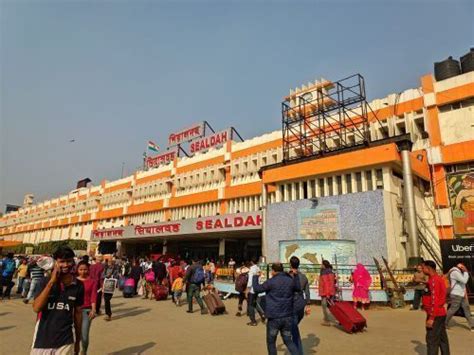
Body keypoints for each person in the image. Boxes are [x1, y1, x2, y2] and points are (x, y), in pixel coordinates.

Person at [30, 246, 84, 355]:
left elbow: (78, 315)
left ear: (73, 262)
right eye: (62, 262)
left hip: (65, 341)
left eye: (69, 261)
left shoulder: (78, 285)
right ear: (55, 263)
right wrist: (51, 282)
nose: (65, 265)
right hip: (42, 340)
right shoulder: (44, 282)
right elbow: (36, 308)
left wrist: (78, 341)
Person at [253, 263, 300, 355]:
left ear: (273, 271)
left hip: (274, 317)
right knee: (287, 340)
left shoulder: (271, 281)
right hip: (287, 316)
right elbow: (298, 288)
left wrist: (255, 277)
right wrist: (296, 275)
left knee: (271, 342)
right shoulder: (290, 280)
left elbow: (257, 289)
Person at [422, 260, 450, 355]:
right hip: (440, 313)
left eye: (423, 268)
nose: (422, 270)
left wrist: (431, 318)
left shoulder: (434, 280)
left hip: (436, 314)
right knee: (442, 338)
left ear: (428, 268)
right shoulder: (435, 279)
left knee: (432, 339)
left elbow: (435, 300)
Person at [289, 256, 311, 355]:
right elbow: (307, 292)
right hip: (301, 303)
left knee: (294, 331)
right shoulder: (304, 277)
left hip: (292, 304)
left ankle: (298, 352)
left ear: (290, 264)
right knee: (293, 328)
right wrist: (308, 304)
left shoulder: (288, 276)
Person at [76, 261, 97, 354]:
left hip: (86, 310)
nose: (83, 271)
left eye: (85, 269)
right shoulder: (73, 281)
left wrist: (93, 309)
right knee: (74, 335)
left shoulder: (92, 282)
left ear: (88, 270)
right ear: (77, 270)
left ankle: (84, 351)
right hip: (74, 310)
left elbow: (93, 297)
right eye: (81, 269)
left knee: (84, 335)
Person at [445, 263, 473, 331]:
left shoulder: (459, 272)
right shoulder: (455, 272)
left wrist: (465, 294)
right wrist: (466, 272)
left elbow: (462, 285)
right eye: (463, 266)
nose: (464, 268)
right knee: (453, 309)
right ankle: (444, 323)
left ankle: (472, 325)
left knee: (467, 309)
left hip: (461, 294)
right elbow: (464, 281)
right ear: (460, 267)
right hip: (456, 294)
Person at [247, 258, 266, 326]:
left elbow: (250, 280)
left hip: (252, 289)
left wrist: (248, 289)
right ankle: (262, 315)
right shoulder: (258, 268)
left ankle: (253, 321)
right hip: (257, 288)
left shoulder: (252, 269)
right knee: (255, 303)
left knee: (250, 305)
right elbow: (261, 277)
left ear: (251, 262)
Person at [319, 259, 336, 326]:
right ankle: (338, 318)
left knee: (324, 306)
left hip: (325, 292)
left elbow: (326, 284)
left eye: (322, 264)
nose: (321, 265)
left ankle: (327, 320)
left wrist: (327, 294)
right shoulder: (330, 271)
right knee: (331, 306)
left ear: (324, 265)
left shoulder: (324, 273)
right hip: (330, 291)